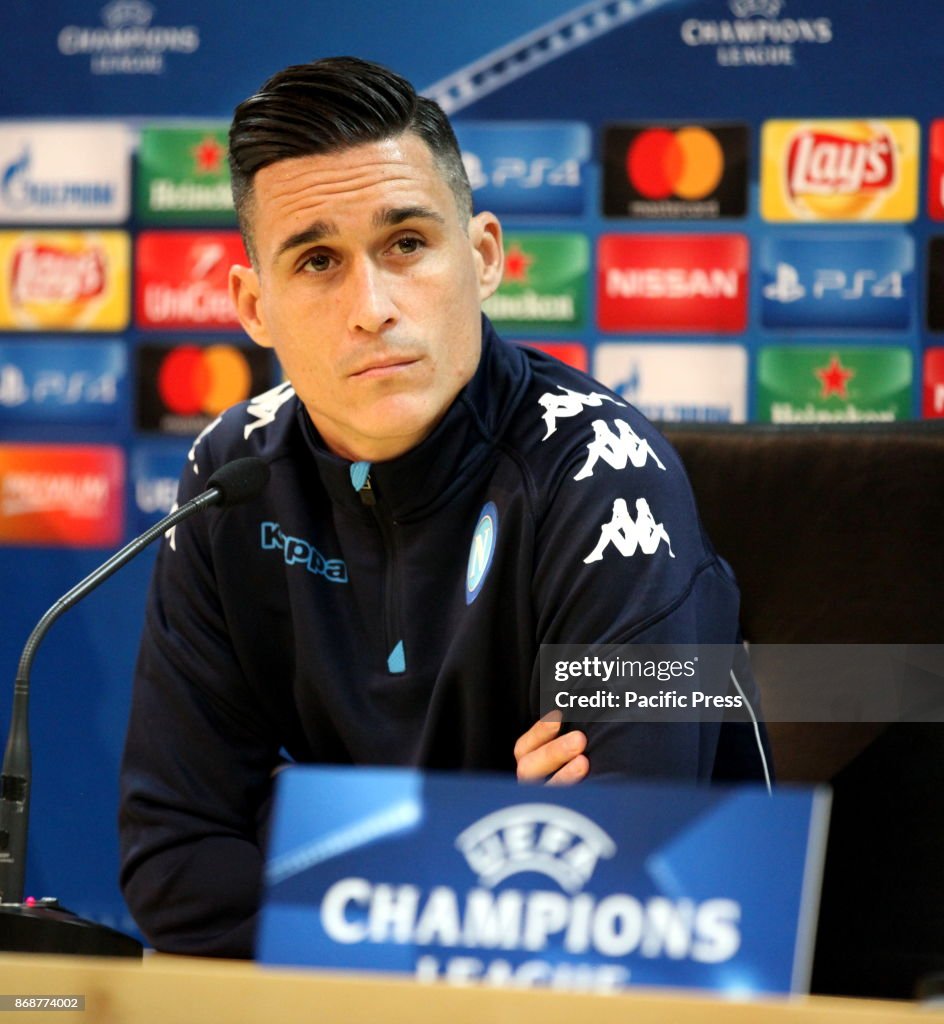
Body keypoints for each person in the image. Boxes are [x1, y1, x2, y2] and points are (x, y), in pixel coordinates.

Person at [118, 56, 771, 959]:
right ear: (253, 305)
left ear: (485, 255)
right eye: (317, 261)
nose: (372, 307)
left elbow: (628, 878)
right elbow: (176, 866)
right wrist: (496, 843)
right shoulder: (231, 474)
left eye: (407, 244)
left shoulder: (607, 476)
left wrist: (307, 833)